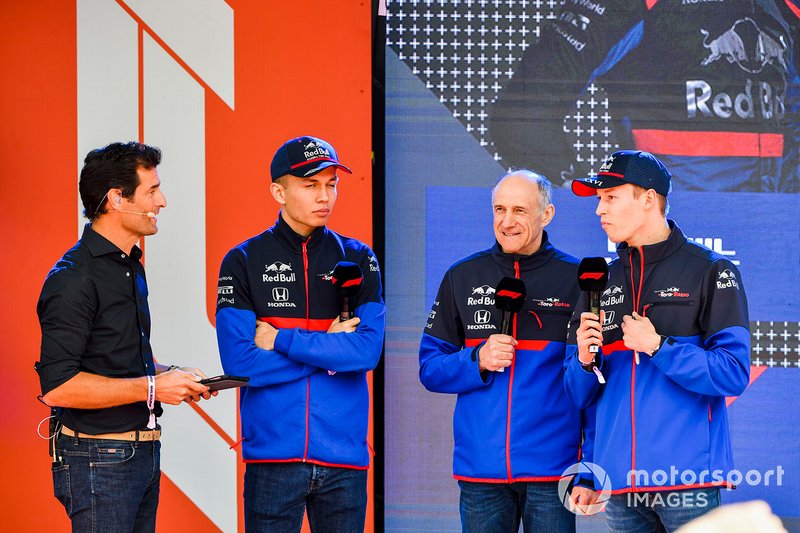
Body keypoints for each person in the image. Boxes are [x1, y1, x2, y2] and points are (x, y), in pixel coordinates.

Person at [564, 150, 752, 531]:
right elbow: (579, 397)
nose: (600, 210)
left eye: (611, 197)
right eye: (599, 200)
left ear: (649, 199)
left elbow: (732, 373)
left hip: (687, 480)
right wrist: (584, 363)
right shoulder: (599, 283)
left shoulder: (711, 270)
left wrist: (658, 347)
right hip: (620, 486)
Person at [36, 141, 216, 532]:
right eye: (152, 190)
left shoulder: (129, 266)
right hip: (98, 457)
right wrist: (153, 387)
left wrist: (175, 376)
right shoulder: (73, 278)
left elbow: (117, 358)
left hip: (138, 452)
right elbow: (59, 387)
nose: (162, 201)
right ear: (117, 199)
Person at [215, 135, 385, 532]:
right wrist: (328, 348)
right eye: (310, 185)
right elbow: (241, 363)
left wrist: (281, 340)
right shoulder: (242, 260)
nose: (324, 196)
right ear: (278, 190)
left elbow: (365, 354)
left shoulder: (359, 258)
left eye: (331, 184)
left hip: (345, 462)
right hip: (273, 462)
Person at [419, 170, 598, 532]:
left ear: (546, 214)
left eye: (519, 210)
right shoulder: (462, 275)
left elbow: (591, 392)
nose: (506, 221)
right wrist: (477, 360)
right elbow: (430, 369)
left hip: (553, 471)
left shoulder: (576, 277)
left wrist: (589, 469)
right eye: (499, 209)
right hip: (481, 472)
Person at [488, 0, 799, 192]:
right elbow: (520, 115)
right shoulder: (636, 4)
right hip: (669, 244)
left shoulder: (785, 8)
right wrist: (583, 196)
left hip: (773, 244)